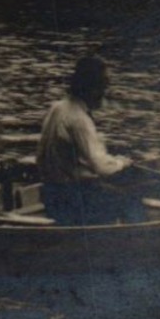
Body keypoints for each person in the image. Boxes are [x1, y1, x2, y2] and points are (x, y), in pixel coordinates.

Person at [36, 55, 140, 224]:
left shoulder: (57, 108)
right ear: (91, 88)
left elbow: (42, 157)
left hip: (50, 194)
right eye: (102, 88)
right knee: (131, 197)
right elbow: (101, 167)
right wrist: (122, 163)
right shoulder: (79, 119)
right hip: (71, 198)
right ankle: (136, 242)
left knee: (110, 188)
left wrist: (112, 161)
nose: (104, 94)